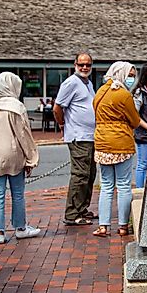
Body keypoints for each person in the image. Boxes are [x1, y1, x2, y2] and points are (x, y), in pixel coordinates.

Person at [0, 72, 41, 244]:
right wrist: (31, 158)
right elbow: (23, 134)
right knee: (17, 193)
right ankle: (20, 228)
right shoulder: (17, 107)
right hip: (13, 154)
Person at [92, 61, 147, 237]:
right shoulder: (123, 95)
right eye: (130, 75)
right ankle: (123, 225)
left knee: (107, 186)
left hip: (102, 142)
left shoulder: (100, 91)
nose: (132, 79)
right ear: (122, 74)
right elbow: (134, 120)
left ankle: (103, 226)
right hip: (121, 142)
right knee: (124, 185)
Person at [54, 53, 98, 226]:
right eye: (81, 64)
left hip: (90, 136)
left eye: (88, 65)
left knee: (90, 174)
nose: (84, 67)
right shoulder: (71, 83)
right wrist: (62, 124)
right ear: (75, 65)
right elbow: (58, 108)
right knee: (80, 175)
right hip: (78, 137)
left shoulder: (87, 83)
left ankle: (82, 208)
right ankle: (72, 213)